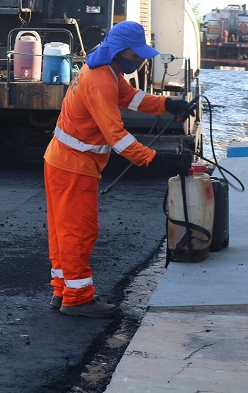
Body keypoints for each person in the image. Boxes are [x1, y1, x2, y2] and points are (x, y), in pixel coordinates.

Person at [43, 21, 192, 318]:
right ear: (121, 52)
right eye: (137, 56)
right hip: (75, 165)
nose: (140, 61)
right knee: (80, 231)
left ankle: (63, 290)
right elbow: (117, 136)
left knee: (63, 231)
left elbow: (131, 98)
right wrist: (154, 160)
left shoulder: (106, 68)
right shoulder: (100, 79)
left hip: (61, 161)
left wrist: (168, 105)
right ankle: (78, 298)